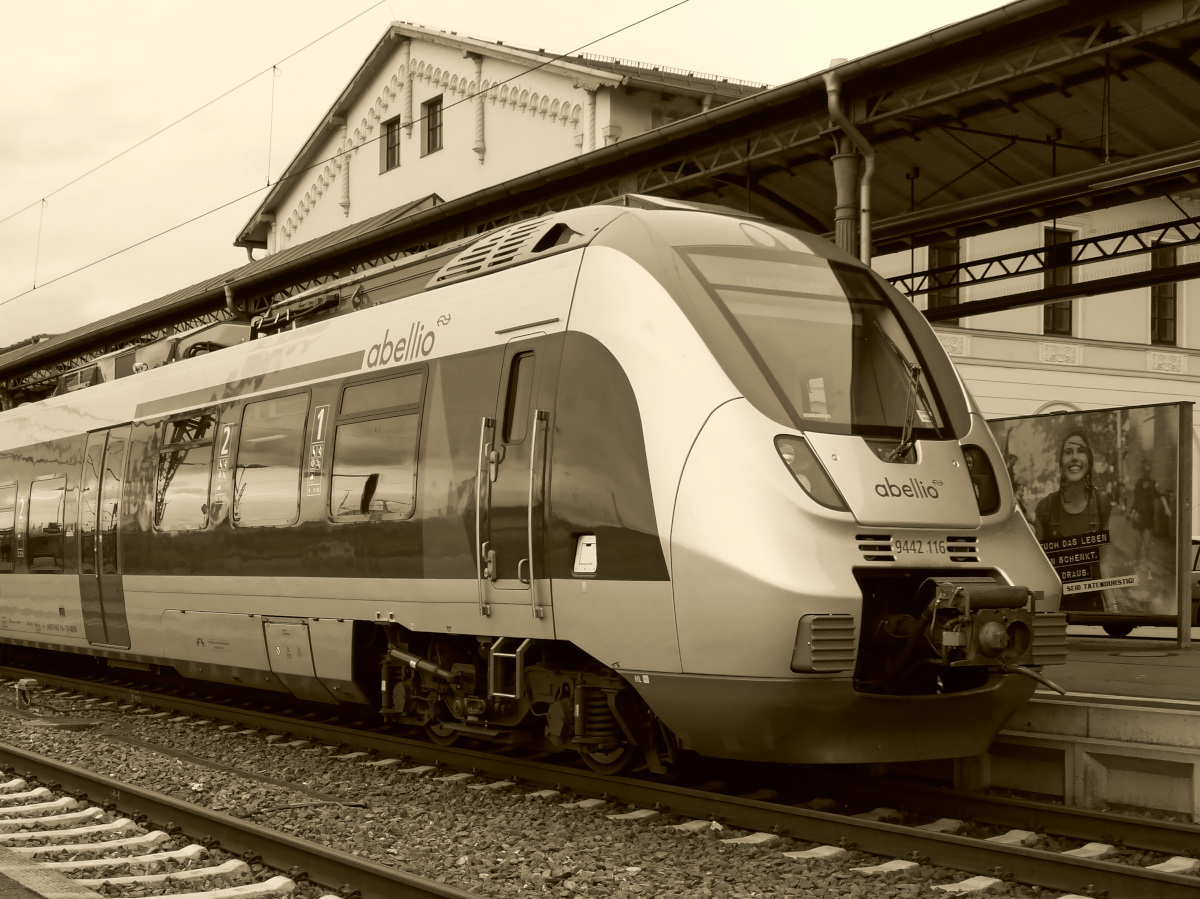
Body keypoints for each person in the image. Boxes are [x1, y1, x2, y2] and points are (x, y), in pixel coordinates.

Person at [1035, 429, 1111, 612]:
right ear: (1061, 463)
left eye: (1081, 451)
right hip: (1055, 610)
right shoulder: (1045, 508)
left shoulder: (1102, 505)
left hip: (1093, 610)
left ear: (1089, 461)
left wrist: (1114, 609)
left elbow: (1104, 563)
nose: (1074, 457)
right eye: (1068, 452)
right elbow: (1038, 568)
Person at [1131, 459, 1170, 576]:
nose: (1146, 473)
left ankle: (1149, 569)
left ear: (1150, 471)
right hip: (1138, 517)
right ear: (1142, 471)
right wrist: (1132, 511)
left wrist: (1167, 508)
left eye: (1148, 471)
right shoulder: (1138, 483)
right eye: (1144, 470)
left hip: (1148, 518)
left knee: (1147, 545)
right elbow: (1136, 499)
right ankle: (1137, 568)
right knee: (1138, 545)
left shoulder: (1154, 484)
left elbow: (1162, 496)